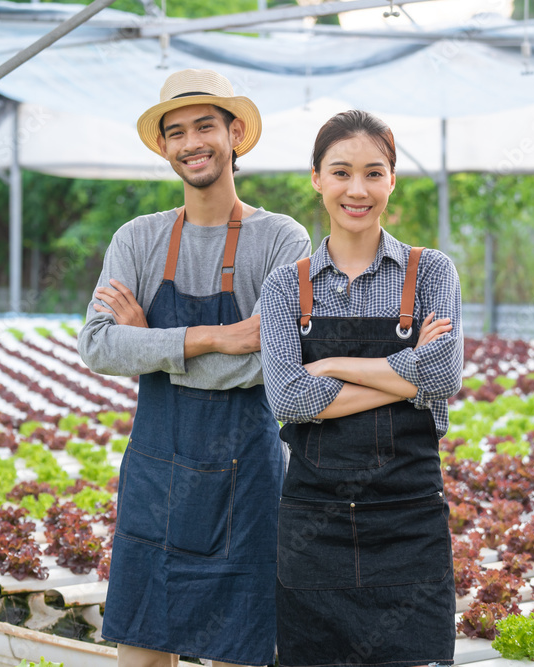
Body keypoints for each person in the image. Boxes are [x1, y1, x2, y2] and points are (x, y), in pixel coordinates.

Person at [79, 69, 311, 667]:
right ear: (164, 147)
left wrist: (152, 346)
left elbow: (275, 362)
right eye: (175, 132)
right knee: (143, 654)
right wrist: (214, 337)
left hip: (249, 487)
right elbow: (99, 348)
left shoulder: (283, 240)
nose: (191, 143)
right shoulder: (138, 239)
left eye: (205, 126)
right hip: (158, 481)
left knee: (241, 653)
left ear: (235, 133)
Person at [259, 110, 463, 667]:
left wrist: (330, 366)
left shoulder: (432, 273)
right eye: (341, 172)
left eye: (374, 173)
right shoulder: (285, 287)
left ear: (392, 180)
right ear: (316, 178)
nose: (358, 189)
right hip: (314, 527)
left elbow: (446, 378)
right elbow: (289, 400)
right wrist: (408, 376)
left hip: (408, 518)